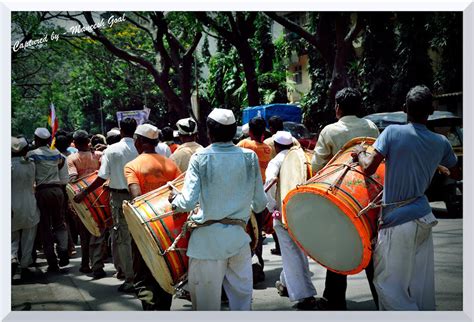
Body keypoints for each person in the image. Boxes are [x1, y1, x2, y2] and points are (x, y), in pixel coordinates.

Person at [353, 85, 461, 310]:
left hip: (397, 222)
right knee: (420, 284)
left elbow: (369, 168)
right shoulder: (440, 143)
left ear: (404, 109)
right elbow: (457, 172)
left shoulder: (392, 133)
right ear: (431, 111)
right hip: (423, 218)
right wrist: (437, 164)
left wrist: (361, 152)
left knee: (387, 284)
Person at [170, 108, 268, 310]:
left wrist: (174, 200)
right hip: (239, 242)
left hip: (207, 245)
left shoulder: (200, 157)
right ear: (234, 131)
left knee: (206, 306)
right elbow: (260, 203)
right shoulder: (249, 157)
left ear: (209, 132)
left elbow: (187, 203)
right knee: (242, 305)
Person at [311, 87, 380, 310]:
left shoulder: (330, 131)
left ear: (338, 107)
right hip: (369, 195)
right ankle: (381, 298)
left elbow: (317, 166)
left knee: (338, 244)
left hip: (340, 196)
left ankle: (334, 299)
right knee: (370, 243)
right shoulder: (370, 127)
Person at [74, 118, 138, 293]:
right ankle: (140, 276)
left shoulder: (112, 150)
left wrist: (85, 192)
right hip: (141, 197)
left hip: (119, 198)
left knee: (123, 239)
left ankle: (130, 279)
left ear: (121, 130)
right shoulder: (141, 148)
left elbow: (102, 178)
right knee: (139, 238)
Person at [124, 123, 182, 310]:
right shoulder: (170, 163)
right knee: (166, 270)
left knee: (144, 273)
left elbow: (137, 198)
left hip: (147, 227)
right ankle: (164, 308)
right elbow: (180, 191)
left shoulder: (132, 166)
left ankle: (151, 310)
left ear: (139, 141)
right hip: (169, 227)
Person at [265, 131, 318, 310]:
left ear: (276, 145)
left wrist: (272, 207)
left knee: (290, 254)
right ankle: (286, 284)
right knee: (299, 253)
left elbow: (270, 183)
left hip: (283, 213)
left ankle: (305, 296)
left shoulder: (276, 161)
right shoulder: (302, 157)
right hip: (302, 212)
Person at [27, 127, 69, 272]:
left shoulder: (32, 155)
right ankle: (63, 249)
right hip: (57, 191)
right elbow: (63, 174)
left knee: (45, 227)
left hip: (42, 191)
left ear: (37, 139)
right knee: (59, 222)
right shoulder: (57, 154)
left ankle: (52, 262)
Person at [237, 116, 273, 283]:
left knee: (245, 233)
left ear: (250, 131)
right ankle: (258, 265)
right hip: (261, 194)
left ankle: (246, 268)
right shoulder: (267, 148)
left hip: (245, 196)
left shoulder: (244, 145)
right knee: (258, 232)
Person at [67, 130, 107, 278]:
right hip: (99, 198)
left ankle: (85, 264)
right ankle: (97, 264)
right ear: (88, 141)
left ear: (75, 143)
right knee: (99, 232)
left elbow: (73, 179)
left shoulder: (72, 158)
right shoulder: (99, 156)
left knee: (84, 235)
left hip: (81, 199)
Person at [11, 137, 40, 283]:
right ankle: (24, 265)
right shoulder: (31, 165)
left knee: (11, 237)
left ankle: (12, 258)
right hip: (29, 204)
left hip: (11, 205)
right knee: (28, 237)